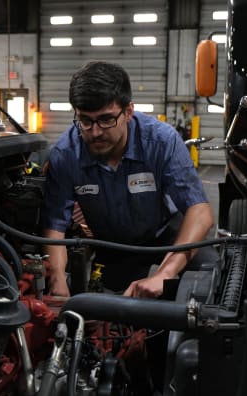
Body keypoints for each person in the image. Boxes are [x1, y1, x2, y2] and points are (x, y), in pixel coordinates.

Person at [40, 61, 215, 298]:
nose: (95, 132)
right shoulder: (65, 154)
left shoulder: (161, 141)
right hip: (114, 248)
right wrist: (58, 280)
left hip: (164, 237)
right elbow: (55, 225)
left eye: (106, 119)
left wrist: (165, 274)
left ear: (128, 112)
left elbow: (200, 212)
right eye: (85, 121)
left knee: (209, 274)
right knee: (107, 309)